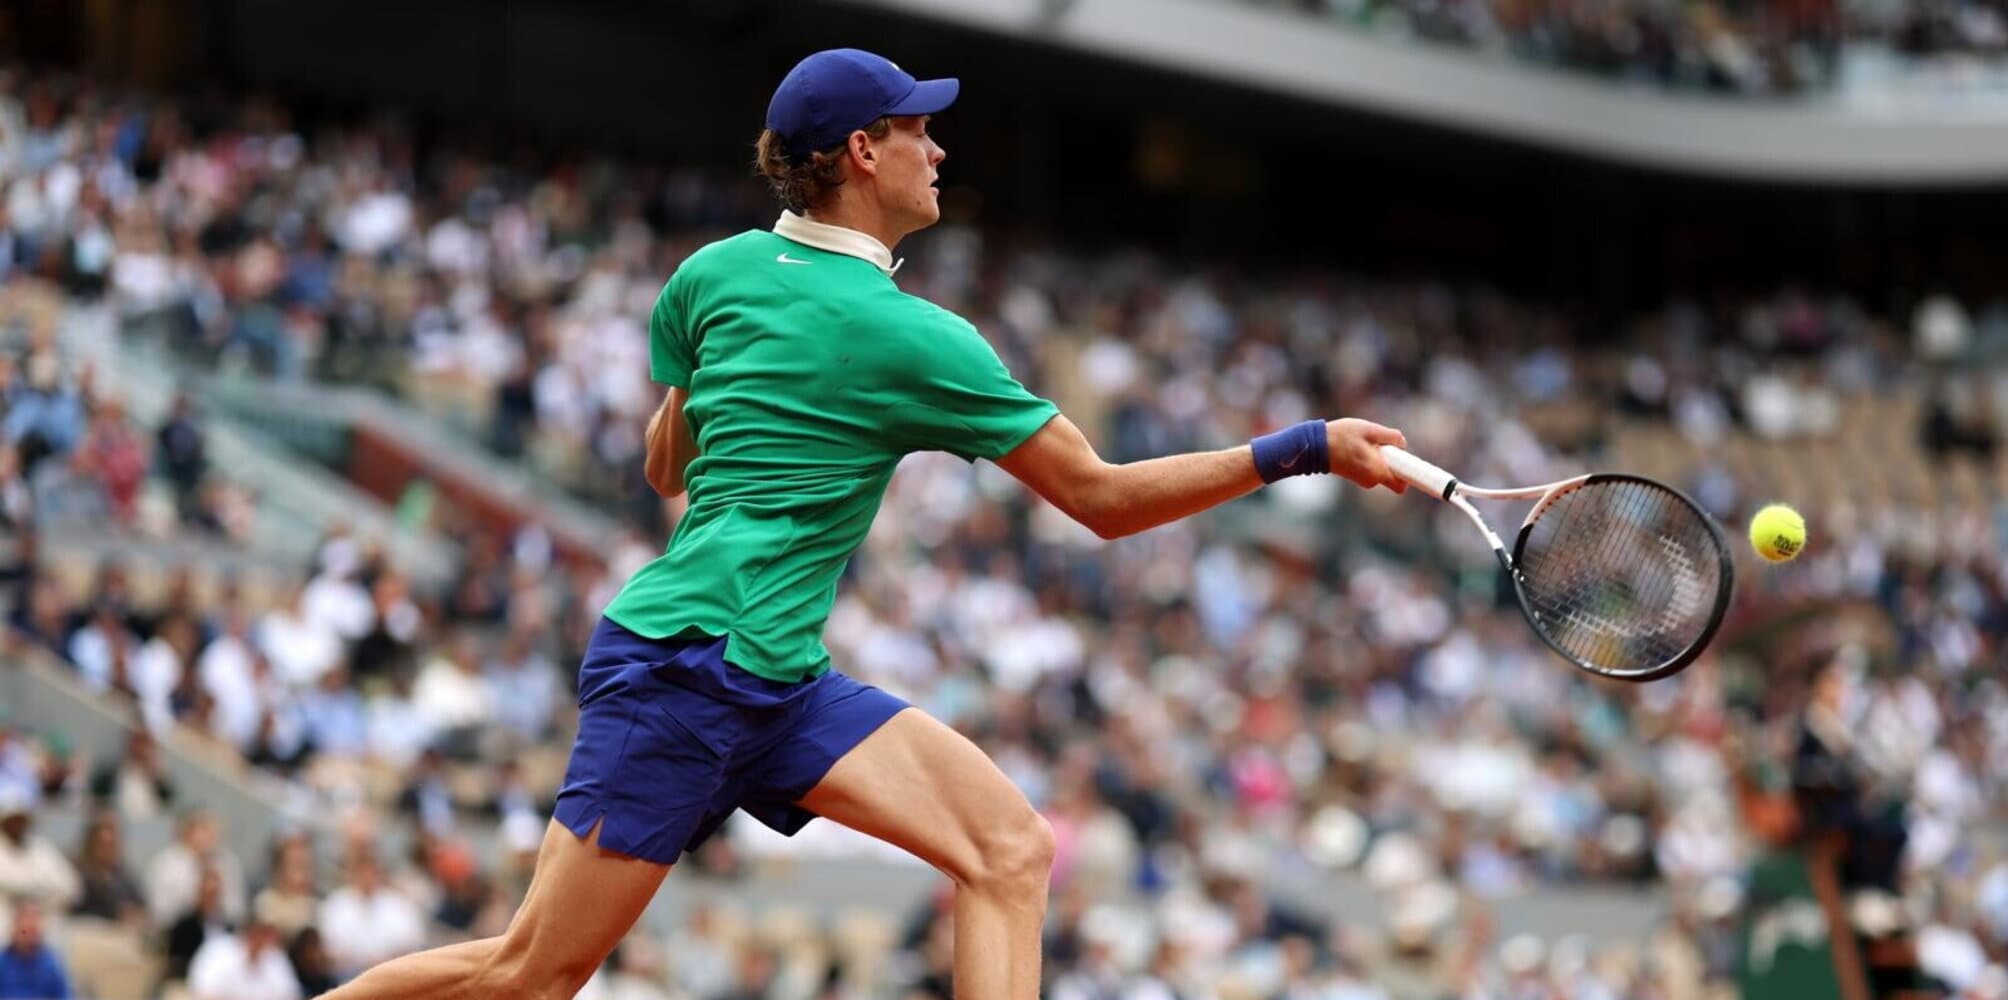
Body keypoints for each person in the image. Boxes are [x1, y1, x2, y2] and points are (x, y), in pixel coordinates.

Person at [321, 47, 1407, 1000]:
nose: (937, 149)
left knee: (1008, 848)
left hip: (776, 674)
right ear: (859, 152)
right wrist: (1302, 446)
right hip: (687, 670)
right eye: (916, 129)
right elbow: (1104, 501)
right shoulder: (914, 337)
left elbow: (666, 466)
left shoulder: (712, 275)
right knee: (529, 976)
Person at [0, 898, 71, 999]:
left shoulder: (52, 964)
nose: (28, 937)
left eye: (33, 932)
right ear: (15, 928)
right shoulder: (2, 962)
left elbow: (65, 995)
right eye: (24, 931)